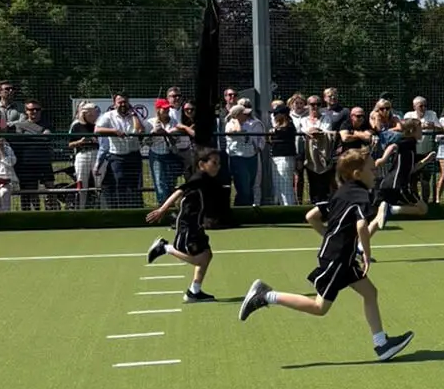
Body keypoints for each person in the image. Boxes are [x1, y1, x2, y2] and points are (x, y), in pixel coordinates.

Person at [238, 149, 414, 363]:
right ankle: (266, 296)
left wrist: (330, 237)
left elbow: (311, 216)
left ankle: (381, 343)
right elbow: (361, 226)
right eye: (371, 168)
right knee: (319, 307)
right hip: (338, 260)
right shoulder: (360, 195)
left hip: (341, 257)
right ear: (357, 174)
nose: (376, 172)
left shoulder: (341, 192)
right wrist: (366, 253)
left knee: (370, 292)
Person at [145, 148, 223, 303]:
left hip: (197, 225)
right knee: (198, 259)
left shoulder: (208, 179)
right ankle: (164, 248)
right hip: (188, 225)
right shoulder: (199, 178)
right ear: (202, 164)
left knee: (207, 254)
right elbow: (179, 191)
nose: (218, 166)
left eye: (219, 163)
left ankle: (194, 292)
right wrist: (162, 209)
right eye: (214, 163)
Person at [371, 116, 429, 231]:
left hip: (389, 183)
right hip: (398, 185)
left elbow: (412, 168)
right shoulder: (409, 141)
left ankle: (362, 239)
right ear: (412, 131)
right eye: (420, 129)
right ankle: (392, 209)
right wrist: (383, 159)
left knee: (379, 217)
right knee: (423, 209)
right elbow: (393, 146)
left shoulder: (411, 146)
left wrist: (426, 160)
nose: (422, 132)